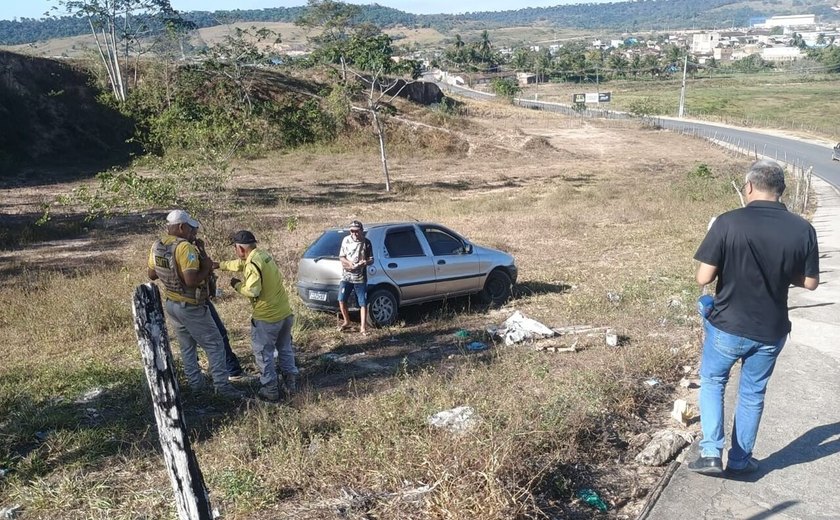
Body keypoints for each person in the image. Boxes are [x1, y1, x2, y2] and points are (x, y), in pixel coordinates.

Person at [688, 159, 819, 476]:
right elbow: (811, 282)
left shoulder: (728, 222)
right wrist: (783, 272)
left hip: (728, 326)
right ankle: (740, 460)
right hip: (770, 330)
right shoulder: (803, 229)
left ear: (748, 187)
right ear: (781, 191)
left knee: (714, 381)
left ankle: (710, 454)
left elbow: (703, 277)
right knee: (752, 394)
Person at [147, 210, 244, 399]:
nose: (194, 233)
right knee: (215, 344)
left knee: (187, 347)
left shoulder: (158, 245)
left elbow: (152, 274)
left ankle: (196, 385)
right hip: (191, 305)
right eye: (192, 229)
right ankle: (222, 387)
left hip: (172, 303)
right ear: (181, 227)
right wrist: (206, 267)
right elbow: (191, 280)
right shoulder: (184, 248)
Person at [216, 230, 299, 401]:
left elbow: (253, 290)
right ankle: (291, 384)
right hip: (284, 313)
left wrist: (237, 285)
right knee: (285, 349)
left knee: (263, 353)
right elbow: (241, 265)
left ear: (240, 249)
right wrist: (220, 265)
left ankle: (270, 389)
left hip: (267, 317)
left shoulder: (252, 263)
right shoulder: (262, 255)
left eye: (235, 249)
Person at [338, 220, 374, 335]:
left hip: (360, 277)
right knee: (341, 299)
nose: (354, 233)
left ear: (361, 231)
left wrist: (365, 262)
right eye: (351, 231)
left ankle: (363, 327)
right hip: (346, 276)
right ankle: (346, 321)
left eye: (356, 231)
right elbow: (342, 257)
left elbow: (371, 259)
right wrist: (350, 264)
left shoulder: (366, 242)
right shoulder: (346, 240)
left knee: (362, 302)